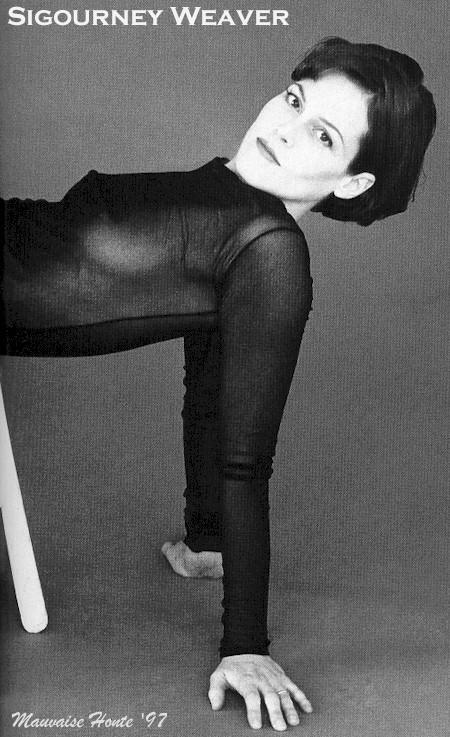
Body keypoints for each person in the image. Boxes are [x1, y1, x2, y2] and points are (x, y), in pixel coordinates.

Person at [1, 37, 436, 731]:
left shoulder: (269, 252)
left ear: (353, 183)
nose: (283, 128)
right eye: (293, 100)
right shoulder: (233, 200)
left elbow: (243, 457)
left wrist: (245, 646)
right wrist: (207, 541)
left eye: (322, 134)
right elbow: (207, 387)